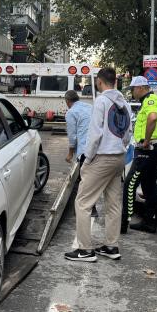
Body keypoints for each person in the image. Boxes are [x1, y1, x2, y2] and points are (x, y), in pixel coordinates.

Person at [65, 68, 132, 263]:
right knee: (113, 203)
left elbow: (94, 135)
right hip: (119, 156)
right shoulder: (124, 103)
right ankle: (112, 246)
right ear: (116, 82)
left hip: (101, 157)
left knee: (83, 202)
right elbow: (127, 132)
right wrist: (121, 146)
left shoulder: (101, 102)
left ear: (100, 82)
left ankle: (85, 250)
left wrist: (88, 158)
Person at [122, 76, 157, 234]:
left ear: (140, 88)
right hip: (152, 148)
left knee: (129, 184)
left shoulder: (150, 100)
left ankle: (123, 222)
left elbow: (152, 118)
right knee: (148, 185)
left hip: (147, 149)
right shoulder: (150, 100)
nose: (132, 93)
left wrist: (146, 141)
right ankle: (149, 222)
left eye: (133, 89)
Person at [64, 89, 97, 218]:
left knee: (84, 179)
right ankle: (89, 206)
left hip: (85, 149)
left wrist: (70, 153)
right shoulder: (89, 106)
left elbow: (73, 136)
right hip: (97, 147)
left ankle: (89, 209)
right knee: (92, 179)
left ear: (67, 101)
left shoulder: (71, 112)